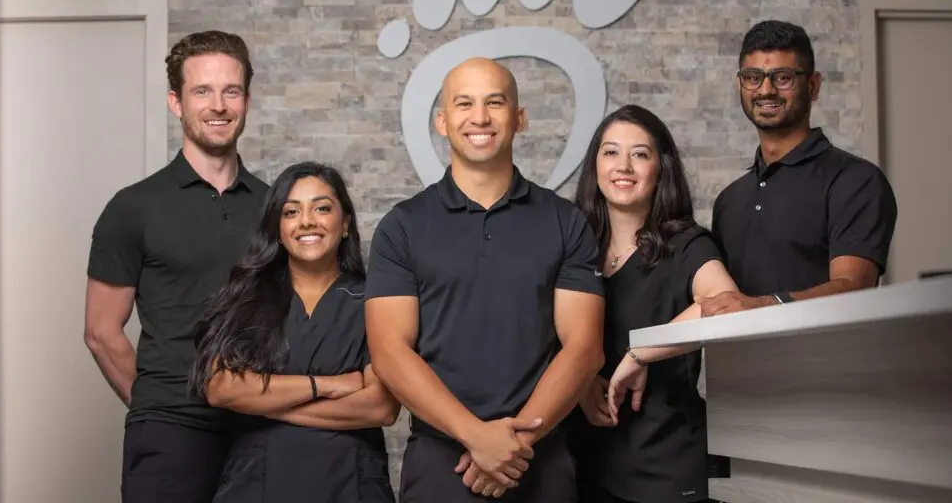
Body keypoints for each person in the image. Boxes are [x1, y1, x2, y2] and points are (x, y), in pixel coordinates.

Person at [364, 57, 606, 503]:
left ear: (519, 119)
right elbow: (389, 352)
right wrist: (476, 437)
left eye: (495, 102)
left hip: (540, 458)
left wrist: (515, 446)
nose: (479, 117)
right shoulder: (403, 226)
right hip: (441, 461)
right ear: (442, 121)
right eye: (464, 104)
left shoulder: (566, 222)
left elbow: (584, 348)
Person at [84, 30, 269, 502]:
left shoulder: (275, 207)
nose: (218, 105)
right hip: (169, 434)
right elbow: (102, 332)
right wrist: (157, 407)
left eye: (231, 91)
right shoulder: (133, 208)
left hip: (263, 431)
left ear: (246, 101)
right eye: (201, 91)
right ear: (176, 102)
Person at [188, 161, 400, 503]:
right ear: (277, 227)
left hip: (349, 485)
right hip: (257, 485)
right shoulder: (246, 298)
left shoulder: (374, 301)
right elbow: (221, 389)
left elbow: (379, 407)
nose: (307, 222)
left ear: (345, 223)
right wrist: (328, 385)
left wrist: (263, 402)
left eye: (322, 208)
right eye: (291, 212)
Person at [564, 105, 741, 503]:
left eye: (640, 154)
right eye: (610, 152)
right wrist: (578, 383)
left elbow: (727, 304)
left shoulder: (687, 245)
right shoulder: (574, 247)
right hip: (583, 465)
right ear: (594, 165)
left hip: (664, 468)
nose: (623, 165)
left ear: (661, 169)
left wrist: (640, 353)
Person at [704, 20, 898, 316]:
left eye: (782, 77)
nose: (765, 90)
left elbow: (853, 287)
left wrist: (766, 304)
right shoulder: (728, 202)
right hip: (738, 362)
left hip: (825, 361)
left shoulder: (855, 181)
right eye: (753, 77)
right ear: (740, 84)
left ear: (813, 85)